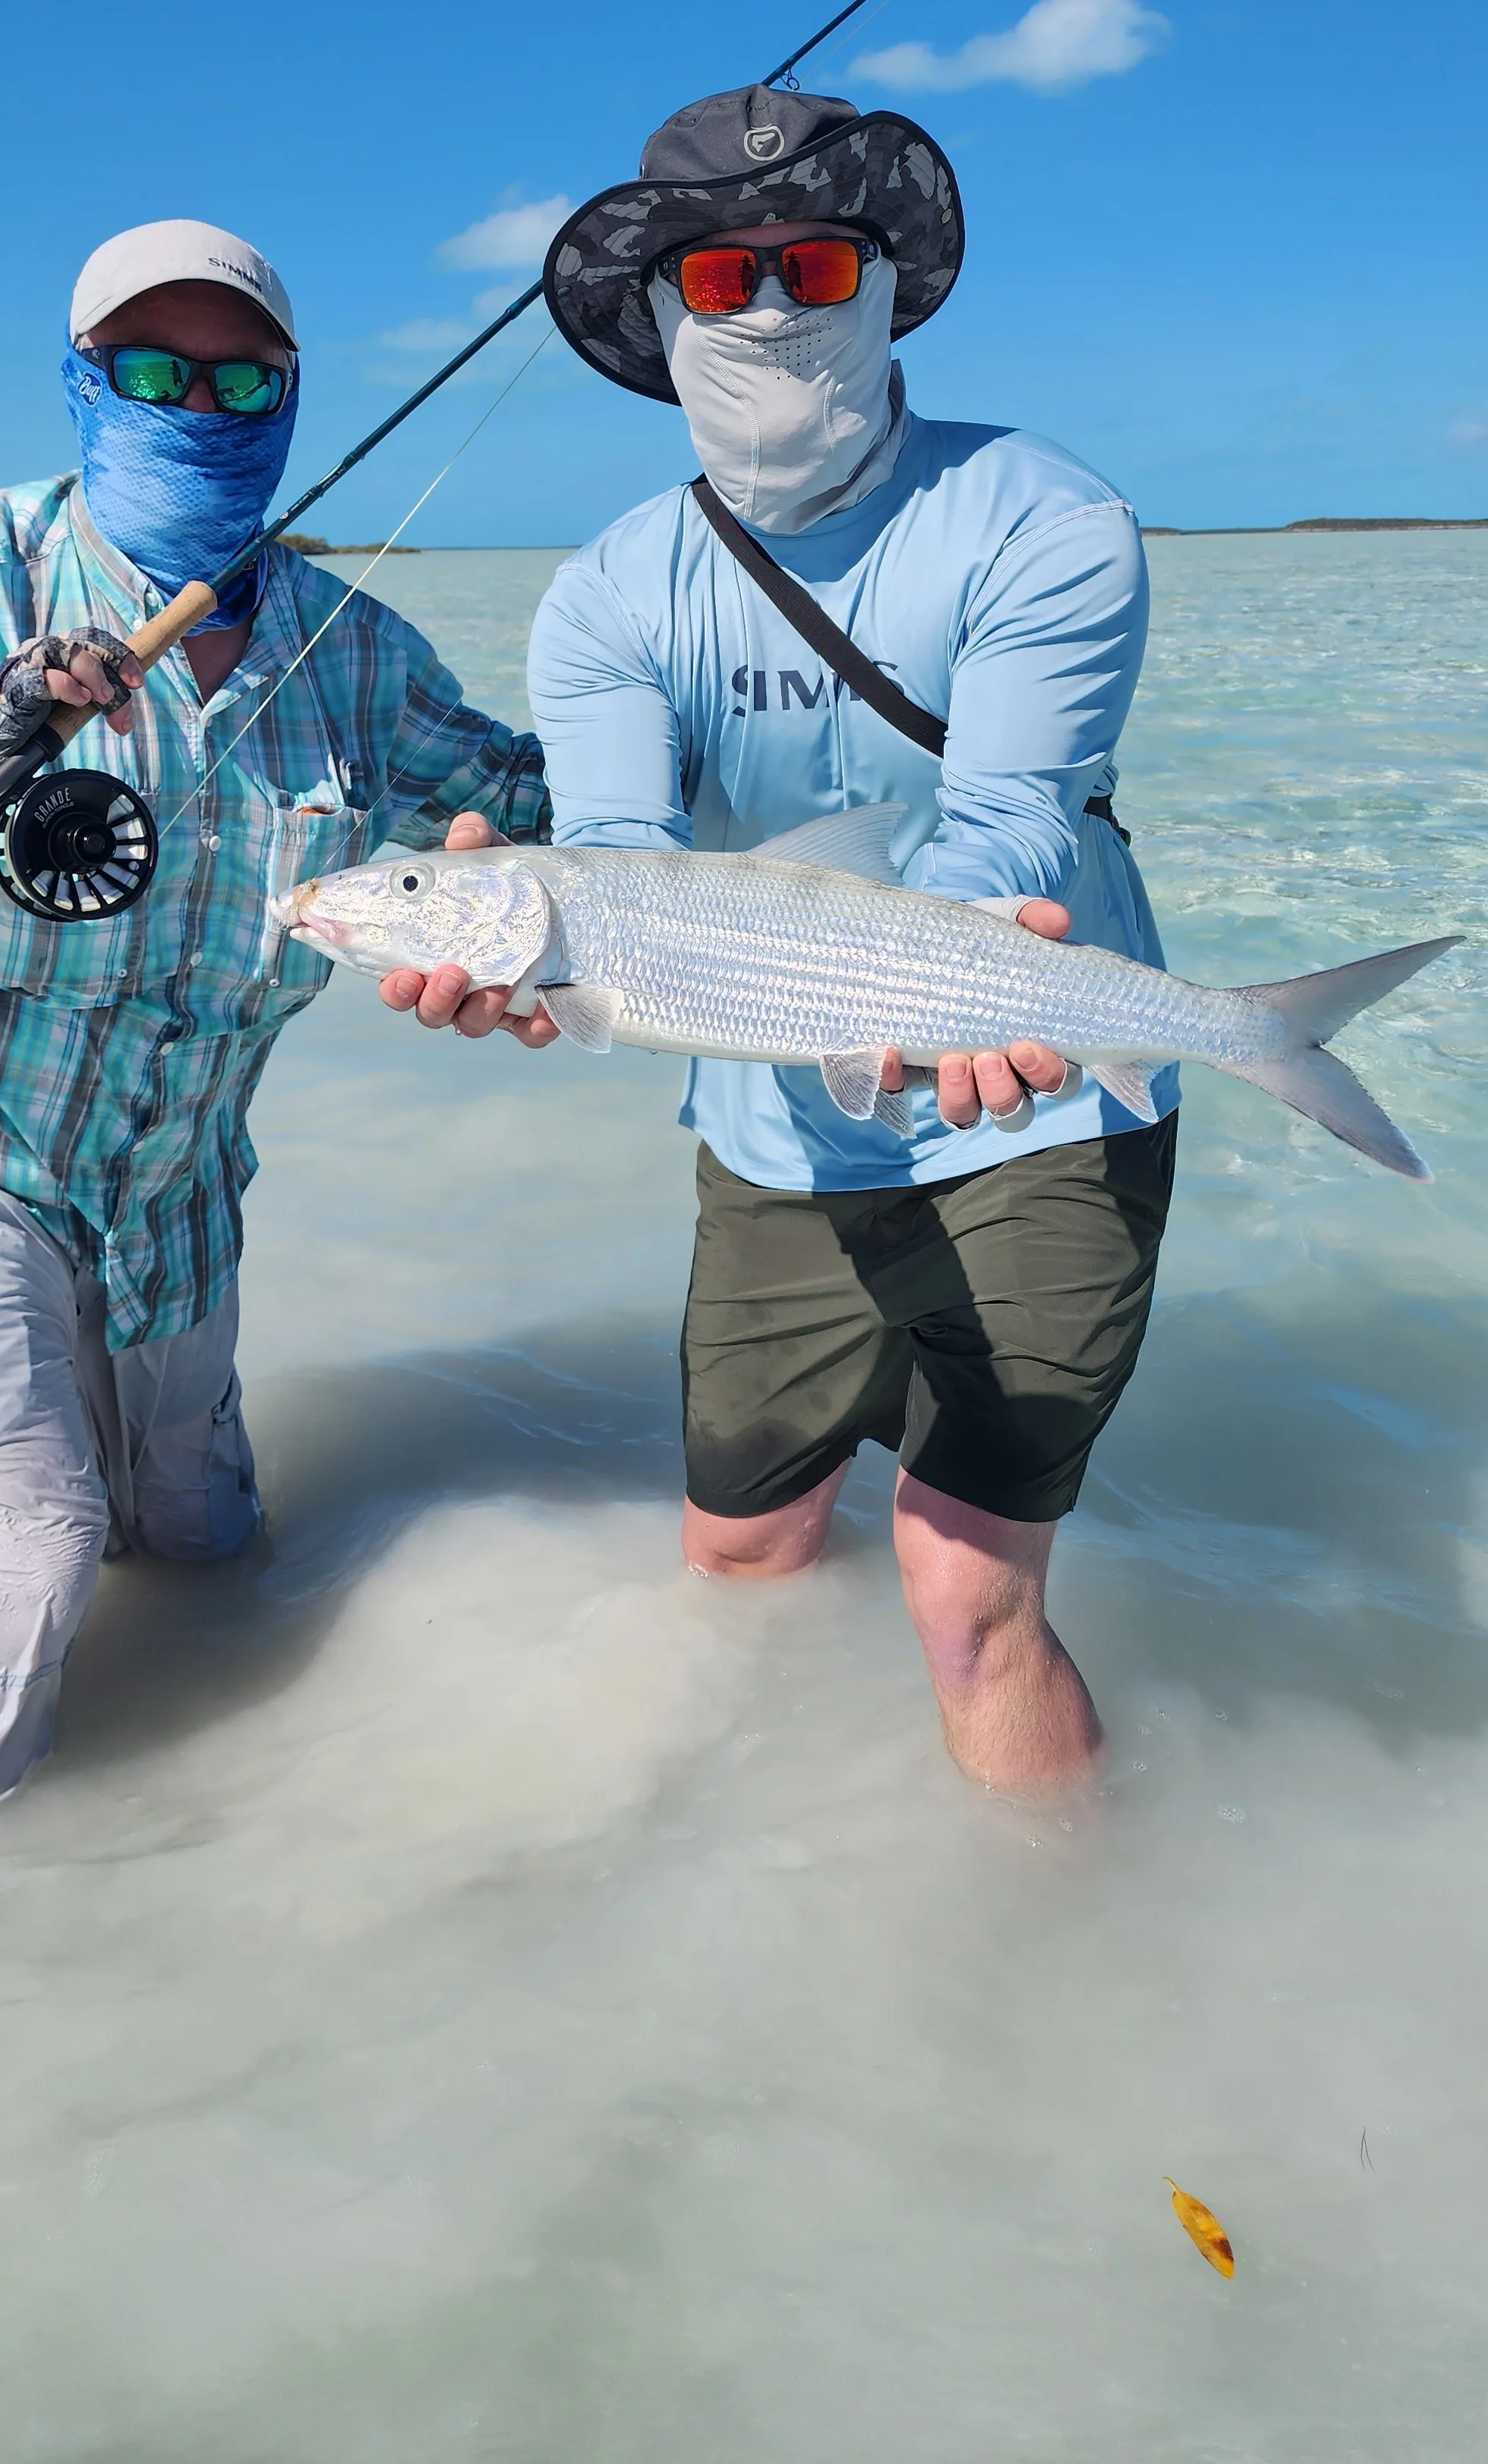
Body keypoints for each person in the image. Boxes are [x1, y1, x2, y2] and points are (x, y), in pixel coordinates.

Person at [381, 87, 1178, 1795]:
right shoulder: (605, 590)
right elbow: (608, 850)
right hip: (771, 1116)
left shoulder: (1044, 513)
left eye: (809, 263)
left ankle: (1062, 1987)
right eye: (716, 277)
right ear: (659, 310)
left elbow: (1010, 819)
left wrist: (963, 969)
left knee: (966, 1594)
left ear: (883, 280)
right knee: (737, 1558)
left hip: (1030, 1080)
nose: (764, 310)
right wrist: (531, 960)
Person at [0, 218, 547, 1812]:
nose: (196, 403)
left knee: (201, 1545)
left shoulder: (361, 658)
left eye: (236, 376)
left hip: (180, 1195)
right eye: (151, 371)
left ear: (291, 395)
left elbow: (545, 812)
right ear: (82, 382)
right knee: (23, 1557)